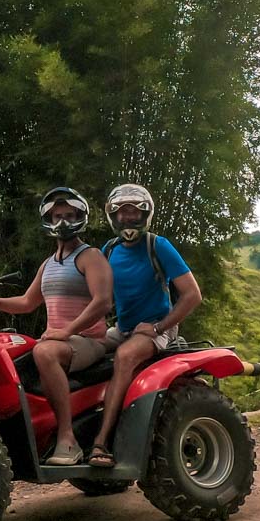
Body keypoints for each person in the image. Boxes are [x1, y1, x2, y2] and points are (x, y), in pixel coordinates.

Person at [0, 187, 112, 465]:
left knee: (44, 353)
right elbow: (28, 302)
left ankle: (67, 439)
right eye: (57, 216)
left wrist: (67, 331)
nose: (63, 222)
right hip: (60, 341)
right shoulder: (48, 264)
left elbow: (103, 302)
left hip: (88, 341)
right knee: (17, 355)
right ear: (49, 220)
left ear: (80, 217)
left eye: (68, 215)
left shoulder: (91, 257)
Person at [87, 184, 202, 467]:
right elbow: (98, 295)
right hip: (123, 327)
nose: (128, 218)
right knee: (84, 350)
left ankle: (102, 441)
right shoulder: (110, 249)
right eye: (122, 213)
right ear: (114, 217)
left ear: (145, 215)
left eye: (134, 212)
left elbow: (192, 295)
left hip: (156, 326)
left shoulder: (157, 245)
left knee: (125, 357)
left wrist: (159, 328)